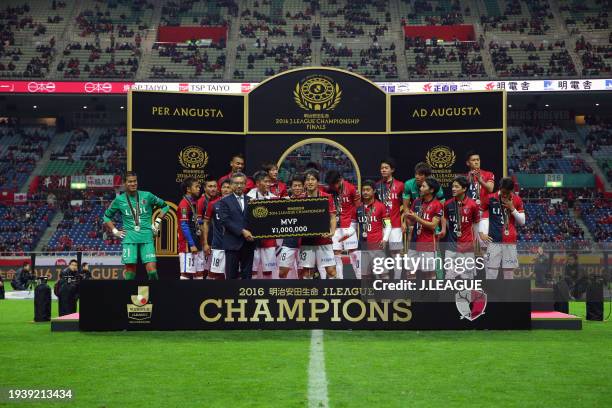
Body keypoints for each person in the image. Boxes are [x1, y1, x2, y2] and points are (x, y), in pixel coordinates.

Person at [103, 171, 170, 280]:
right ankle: (128, 295)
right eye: (130, 182)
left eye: (135, 181)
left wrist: (156, 223)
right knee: (129, 274)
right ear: (125, 183)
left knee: (152, 272)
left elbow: (165, 207)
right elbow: (106, 217)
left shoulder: (147, 195)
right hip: (129, 238)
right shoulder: (119, 200)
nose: (133, 184)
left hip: (146, 236)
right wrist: (115, 231)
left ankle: (156, 294)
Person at [479, 177, 525, 280]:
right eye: (503, 192)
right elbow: (479, 215)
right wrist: (481, 232)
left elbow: (522, 221)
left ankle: (508, 296)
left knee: (508, 274)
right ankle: (490, 296)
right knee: (491, 272)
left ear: (512, 191)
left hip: (510, 242)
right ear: (500, 188)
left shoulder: (517, 200)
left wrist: (512, 208)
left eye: (507, 193)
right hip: (494, 240)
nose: (505, 195)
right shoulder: (490, 198)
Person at [300, 169, 337, 279]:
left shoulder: (327, 197)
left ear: (317, 182)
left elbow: (333, 217)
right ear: (305, 183)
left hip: (324, 239)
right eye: (307, 180)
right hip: (307, 241)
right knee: (307, 273)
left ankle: (332, 295)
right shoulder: (300, 199)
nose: (310, 182)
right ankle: (309, 296)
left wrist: (332, 231)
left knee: (331, 271)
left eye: (313, 179)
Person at [440, 176, 480, 279]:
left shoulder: (473, 205)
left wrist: (475, 240)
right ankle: (449, 295)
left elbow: (476, 223)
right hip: (451, 246)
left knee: (466, 276)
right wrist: (445, 229)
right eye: (453, 186)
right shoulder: (448, 204)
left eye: (457, 187)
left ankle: (466, 295)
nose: (453, 189)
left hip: (467, 246)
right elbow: (445, 218)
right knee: (449, 275)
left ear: (464, 189)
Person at [217, 172, 255, 279]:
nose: (239, 186)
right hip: (232, 243)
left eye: (242, 183)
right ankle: (230, 295)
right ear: (231, 184)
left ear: (245, 184)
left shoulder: (251, 201)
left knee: (247, 276)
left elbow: (255, 221)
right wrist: (242, 231)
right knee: (231, 276)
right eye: (236, 183)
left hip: (248, 243)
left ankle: (246, 296)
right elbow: (225, 221)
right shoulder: (224, 201)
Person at [405, 177, 443, 279]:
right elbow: (412, 220)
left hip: (427, 243)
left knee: (429, 273)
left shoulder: (437, 205)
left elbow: (433, 225)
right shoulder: (417, 202)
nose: (420, 188)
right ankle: (411, 294)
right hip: (414, 241)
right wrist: (408, 218)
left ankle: (430, 294)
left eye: (423, 186)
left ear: (431, 190)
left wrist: (416, 218)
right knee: (410, 271)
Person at [325, 170, 360, 279]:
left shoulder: (351, 188)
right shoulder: (329, 190)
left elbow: (357, 207)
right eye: (331, 184)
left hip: (348, 225)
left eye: (335, 184)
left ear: (340, 180)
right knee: (336, 253)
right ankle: (340, 280)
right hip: (335, 226)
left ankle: (359, 279)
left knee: (354, 252)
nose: (333, 187)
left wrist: (353, 225)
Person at [375, 158, 405, 278]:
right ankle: (382, 279)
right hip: (379, 225)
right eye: (382, 168)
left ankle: (397, 280)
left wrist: (404, 221)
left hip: (395, 225)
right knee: (379, 252)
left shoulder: (400, 185)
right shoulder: (376, 186)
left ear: (392, 170)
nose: (383, 170)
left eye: (386, 168)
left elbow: (406, 205)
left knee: (395, 253)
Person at [355, 180, 390, 278]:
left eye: (368, 190)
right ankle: (368, 293)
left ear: (374, 191)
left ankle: (386, 293)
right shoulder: (358, 208)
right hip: (363, 246)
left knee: (383, 274)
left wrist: (385, 239)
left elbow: (388, 225)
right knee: (365, 275)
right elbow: (354, 227)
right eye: (363, 190)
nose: (365, 192)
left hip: (377, 245)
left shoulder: (381, 206)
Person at [247, 170, 279, 279]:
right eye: (265, 181)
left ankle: (267, 292)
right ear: (257, 183)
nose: (269, 184)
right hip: (253, 239)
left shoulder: (274, 198)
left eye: (269, 182)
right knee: (253, 270)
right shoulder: (248, 197)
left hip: (268, 239)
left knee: (268, 271)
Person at [203, 179, 233, 280]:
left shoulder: (238, 204)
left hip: (234, 245)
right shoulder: (213, 204)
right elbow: (206, 223)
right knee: (215, 273)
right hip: (218, 244)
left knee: (232, 273)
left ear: (232, 189)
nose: (226, 190)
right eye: (224, 187)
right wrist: (206, 243)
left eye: (228, 187)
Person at [278, 175, 305, 279]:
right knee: (282, 272)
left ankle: (301, 294)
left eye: (299, 186)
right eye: (295, 186)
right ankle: (284, 293)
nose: (297, 188)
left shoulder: (309, 201)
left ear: (303, 187)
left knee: (302, 273)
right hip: (288, 241)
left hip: (304, 242)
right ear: (291, 187)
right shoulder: (284, 201)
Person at [177, 177, 204, 280]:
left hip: (197, 241)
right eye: (196, 187)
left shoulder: (195, 202)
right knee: (186, 274)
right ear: (188, 189)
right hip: (188, 245)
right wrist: (191, 244)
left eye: (199, 187)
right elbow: (184, 225)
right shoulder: (184, 204)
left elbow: (195, 221)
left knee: (199, 273)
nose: (199, 189)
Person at [197, 179, 218, 278]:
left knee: (214, 269)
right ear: (204, 188)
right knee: (204, 268)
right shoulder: (201, 202)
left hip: (216, 239)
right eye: (210, 186)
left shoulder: (219, 199)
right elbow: (200, 224)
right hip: (206, 240)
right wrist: (204, 243)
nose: (213, 189)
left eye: (214, 186)